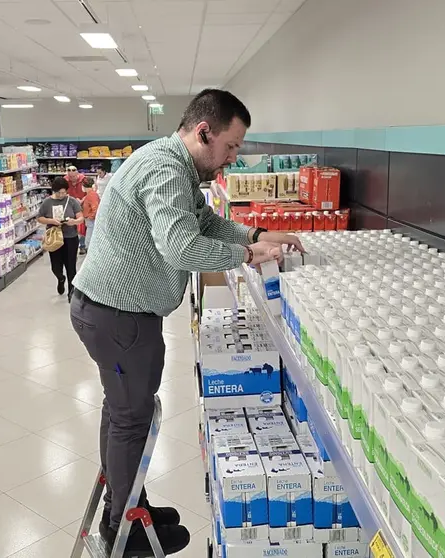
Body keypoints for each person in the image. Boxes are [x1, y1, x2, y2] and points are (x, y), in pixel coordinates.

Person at [70, 88, 303, 556]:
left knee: (122, 412)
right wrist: (247, 254)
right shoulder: (166, 169)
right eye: (231, 146)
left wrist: (257, 233)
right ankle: (124, 529)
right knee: (131, 419)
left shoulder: (172, 162)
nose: (233, 158)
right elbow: (182, 247)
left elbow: (206, 224)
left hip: (113, 311)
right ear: (204, 132)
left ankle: (129, 503)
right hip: (119, 316)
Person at [37, 177, 83, 302]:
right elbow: (40, 218)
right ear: (54, 191)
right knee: (56, 266)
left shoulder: (72, 201)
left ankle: (71, 293)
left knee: (71, 266)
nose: (62, 195)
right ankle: (60, 278)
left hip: (70, 237)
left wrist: (74, 221)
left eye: (64, 192)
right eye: (59, 192)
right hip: (54, 238)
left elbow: (81, 217)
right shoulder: (47, 202)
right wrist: (51, 221)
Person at [63, 165, 88, 253]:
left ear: (77, 173)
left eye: (74, 176)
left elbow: (90, 191)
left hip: (83, 205)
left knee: (83, 226)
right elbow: (62, 193)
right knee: (71, 224)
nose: (72, 179)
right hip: (71, 206)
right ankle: (71, 246)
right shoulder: (64, 180)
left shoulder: (84, 179)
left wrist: (82, 200)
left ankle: (82, 245)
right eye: (70, 177)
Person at [81, 179, 100, 251]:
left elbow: (95, 208)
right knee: (89, 237)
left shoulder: (92, 195)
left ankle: (89, 249)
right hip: (89, 219)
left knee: (89, 239)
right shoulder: (90, 194)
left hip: (91, 220)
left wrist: (91, 217)